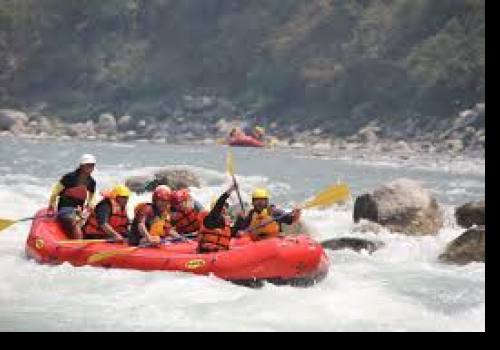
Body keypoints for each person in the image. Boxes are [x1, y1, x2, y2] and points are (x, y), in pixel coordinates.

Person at [48, 154, 97, 239]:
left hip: (79, 210)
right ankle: (79, 245)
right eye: (88, 165)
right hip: (65, 208)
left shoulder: (92, 182)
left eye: (92, 165)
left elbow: (91, 197)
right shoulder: (69, 177)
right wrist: (51, 205)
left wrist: (89, 204)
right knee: (75, 223)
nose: (90, 167)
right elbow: (55, 192)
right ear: (81, 166)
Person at [232, 188, 301, 240]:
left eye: (262, 201)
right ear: (253, 202)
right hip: (259, 242)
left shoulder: (274, 212)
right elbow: (244, 229)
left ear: (266, 202)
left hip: (274, 240)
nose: (260, 203)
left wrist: (297, 213)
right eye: (257, 201)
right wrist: (240, 231)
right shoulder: (251, 214)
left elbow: (292, 220)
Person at [197, 184, 237, 253]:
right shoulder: (210, 218)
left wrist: (241, 220)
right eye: (223, 206)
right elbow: (219, 204)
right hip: (207, 252)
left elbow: (232, 233)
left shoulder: (225, 221)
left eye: (226, 206)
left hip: (220, 252)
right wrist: (229, 191)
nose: (224, 208)